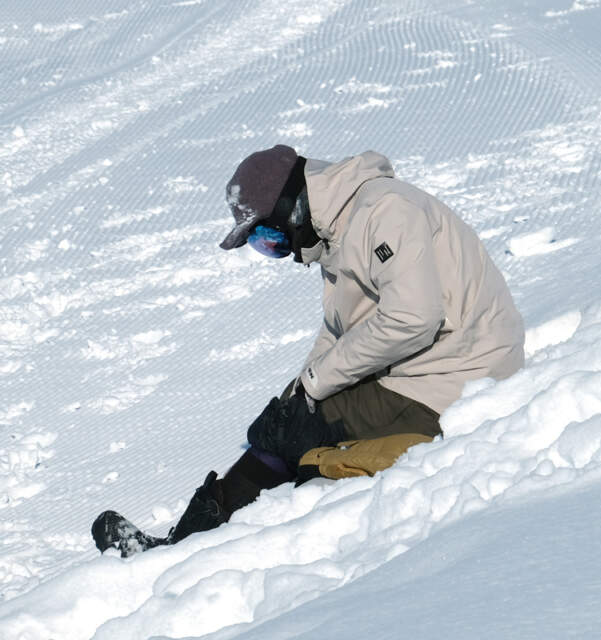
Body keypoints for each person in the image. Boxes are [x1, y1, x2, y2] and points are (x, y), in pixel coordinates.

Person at [93, 145, 525, 557]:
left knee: (298, 427)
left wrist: (313, 390)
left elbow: (413, 318)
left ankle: (201, 544)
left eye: (269, 237)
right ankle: (194, 535)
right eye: (264, 247)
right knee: (286, 418)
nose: (277, 252)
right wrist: (300, 390)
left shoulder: (385, 212)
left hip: (461, 376)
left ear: (292, 208)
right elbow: (342, 331)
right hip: (421, 368)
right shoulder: (338, 229)